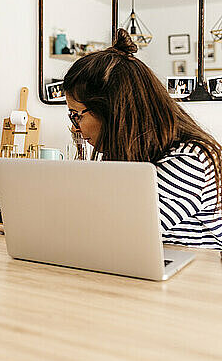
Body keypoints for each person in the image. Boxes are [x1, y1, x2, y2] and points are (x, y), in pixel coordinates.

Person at [63, 28, 222, 248]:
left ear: (111, 111)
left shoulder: (189, 160)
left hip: (193, 279)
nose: (75, 128)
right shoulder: (132, 156)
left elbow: (121, 232)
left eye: (76, 115)